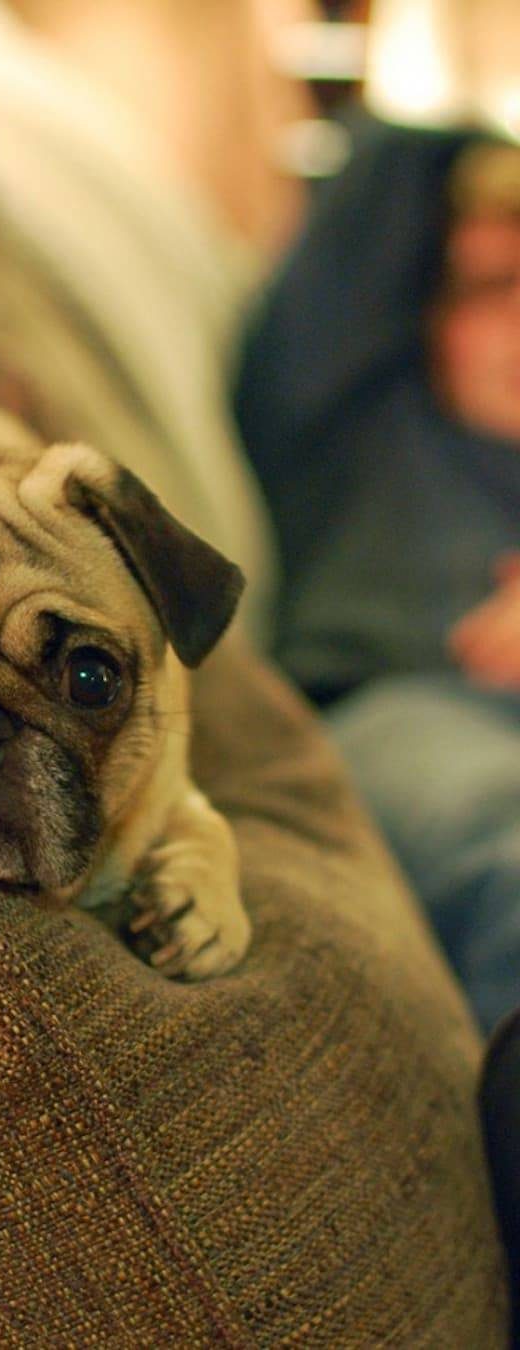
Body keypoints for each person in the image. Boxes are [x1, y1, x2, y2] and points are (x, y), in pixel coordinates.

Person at [235, 116, 520, 1033]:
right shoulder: (357, 422)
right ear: (420, 312)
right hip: (410, 705)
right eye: (493, 288)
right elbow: (374, 184)